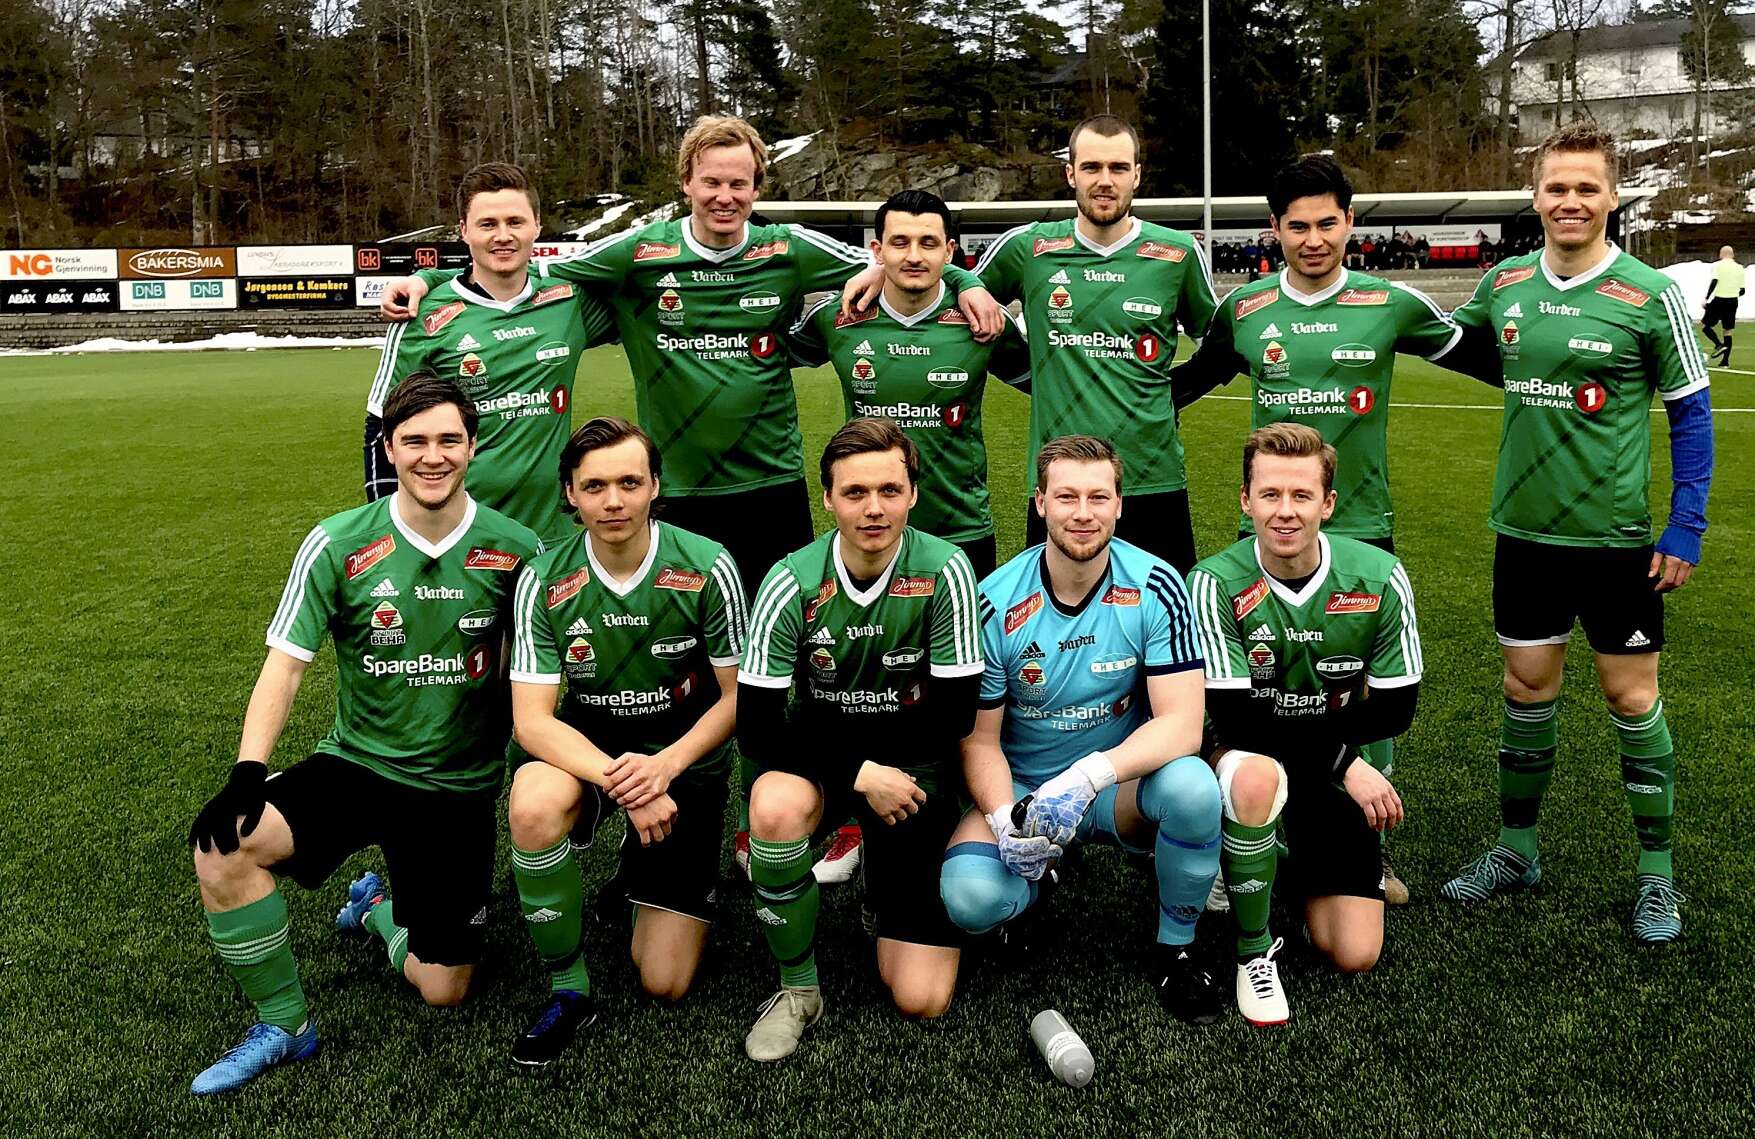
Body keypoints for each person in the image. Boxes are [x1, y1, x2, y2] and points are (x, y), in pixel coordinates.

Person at [186, 375, 542, 1094]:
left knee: (445, 989)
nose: (433, 456)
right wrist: (248, 770)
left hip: (456, 786)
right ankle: (285, 1024)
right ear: (389, 448)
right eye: (415, 441)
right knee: (221, 847)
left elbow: (538, 675)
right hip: (357, 765)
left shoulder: (517, 549)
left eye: (449, 440)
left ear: (473, 446)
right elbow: (286, 664)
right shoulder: (337, 541)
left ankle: (377, 910)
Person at [1168, 154, 1469, 905]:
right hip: (1273, 530)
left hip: (1364, 528)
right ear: (1273, 229)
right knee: (1259, 683)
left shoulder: (1390, 302)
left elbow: (1487, 354)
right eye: (1296, 225)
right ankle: (1252, 827)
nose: (1312, 239)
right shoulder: (1243, 310)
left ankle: (1366, 843)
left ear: (1349, 222)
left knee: (1363, 693)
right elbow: (1189, 380)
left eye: (1326, 223)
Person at [1441, 122, 1715, 945]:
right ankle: (1516, 851)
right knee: (1525, 689)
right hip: (1523, 533)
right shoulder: (1504, 283)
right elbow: (1465, 347)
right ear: (1534, 197)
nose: (1570, 200)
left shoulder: (1648, 294)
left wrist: (1685, 523)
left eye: (1585, 187)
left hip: (1616, 541)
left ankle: (1656, 876)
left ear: (1610, 197)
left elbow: (1691, 414)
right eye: (1556, 187)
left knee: (1631, 698)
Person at [938, 434, 1226, 1025]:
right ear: (1040, 502)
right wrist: (1005, 819)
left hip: (1116, 787)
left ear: (1120, 504)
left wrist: (1091, 775)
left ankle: (1175, 947)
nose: (1083, 513)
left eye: (1098, 497)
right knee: (970, 899)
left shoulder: (1156, 585)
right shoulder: (994, 602)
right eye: (1067, 496)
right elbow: (980, 740)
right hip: (1026, 789)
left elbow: (1182, 724)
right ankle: (1035, 878)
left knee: (1194, 788)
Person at [735, 418, 984, 1061]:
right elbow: (757, 727)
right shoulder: (790, 580)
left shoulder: (946, 569)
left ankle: (884, 875)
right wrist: (859, 773)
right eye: (855, 492)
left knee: (922, 998)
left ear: (913, 495)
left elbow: (955, 713)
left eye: (889, 490)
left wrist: (885, 775)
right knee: (774, 805)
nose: (874, 508)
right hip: (825, 764)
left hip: (915, 771)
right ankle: (797, 989)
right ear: (827, 499)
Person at [503, 416, 747, 1065]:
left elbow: (738, 697)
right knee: (532, 803)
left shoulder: (707, 564)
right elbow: (532, 720)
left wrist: (664, 766)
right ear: (570, 493)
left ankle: (642, 872)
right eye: (595, 486)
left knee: (664, 980)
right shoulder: (544, 578)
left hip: (683, 757)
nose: (613, 500)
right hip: (586, 752)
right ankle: (568, 988)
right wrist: (630, 784)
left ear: (654, 486)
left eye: (629, 483)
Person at [892, 114, 1217, 573]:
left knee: (1165, 611)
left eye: (1118, 168)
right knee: (1057, 613)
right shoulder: (1029, 248)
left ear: (1137, 175)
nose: (1105, 181)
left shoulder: (1176, 252)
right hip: (1058, 478)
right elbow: (938, 286)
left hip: (1153, 477)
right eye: (1091, 167)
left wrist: (1171, 394)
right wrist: (937, 279)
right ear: (1071, 174)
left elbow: (1221, 345)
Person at [1185, 424, 1422, 1025]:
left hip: (1323, 763)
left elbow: (1395, 708)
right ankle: (1250, 935)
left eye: (1301, 495)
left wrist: (1337, 763)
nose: (1285, 511)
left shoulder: (1378, 576)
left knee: (1354, 951)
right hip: (1246, 756)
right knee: (1255, 775)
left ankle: (1270, 859)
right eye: (1269, 494)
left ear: (1328, 503)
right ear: (1245, 500)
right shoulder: (1214, 581)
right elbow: (1237, 717)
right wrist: (1347, 762)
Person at [364, 162, 617, 541]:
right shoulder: (421, 316)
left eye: (515, 222)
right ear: (464, 230)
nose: (503, 236)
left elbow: (645, 290)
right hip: (457, 537)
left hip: (553, 536)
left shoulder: (569, 300)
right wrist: (392, 532)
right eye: (487, 224)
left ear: (537, 225)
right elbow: (380, 429)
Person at [790, 188, 1032, 581]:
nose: (914, 256)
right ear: (878, 250)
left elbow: (1046, 378)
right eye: (900, 242)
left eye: (928, 243)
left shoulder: (983, 318)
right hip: (870, 528)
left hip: (962, 527)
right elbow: (759, 356)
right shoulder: (838, 316)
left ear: (949, 251)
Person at [1701, 244, 1743, 368]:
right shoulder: (1739, 267)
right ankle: (1725, 362)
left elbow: (1714, 281)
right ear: (1733, 255)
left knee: (1705, 326)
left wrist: (1706, 298)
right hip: (1733, 301)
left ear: (1721, 254)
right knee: (1727, 331)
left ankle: (1719, 345)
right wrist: (1732, 293)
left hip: (1719, 299)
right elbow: (1742, 290)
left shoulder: (1718, 266)